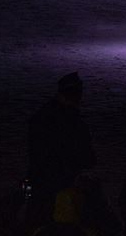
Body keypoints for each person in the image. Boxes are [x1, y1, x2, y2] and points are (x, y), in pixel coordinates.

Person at [27, 73, 96, 216]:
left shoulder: (42, 116)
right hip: (63, 180)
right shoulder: (73, 121)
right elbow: (86, 156)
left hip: (43, 180)